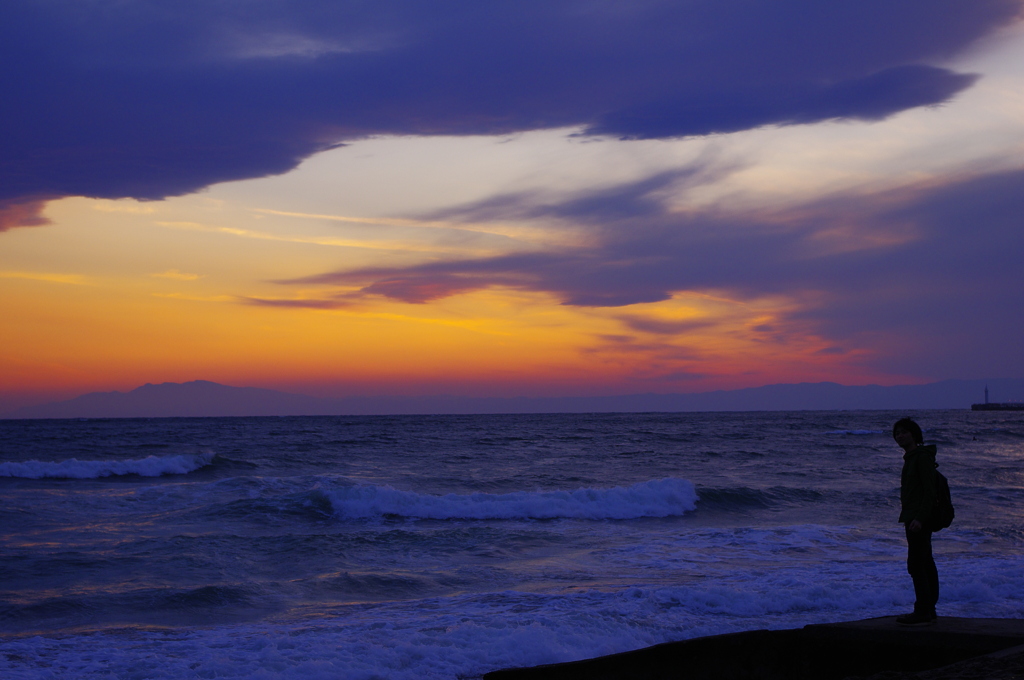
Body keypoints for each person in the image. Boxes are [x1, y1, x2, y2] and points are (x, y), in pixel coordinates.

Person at [893, 417, 939, 626]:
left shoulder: (921, 457)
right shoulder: (911, 457)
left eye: (904, 432)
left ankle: (923, 610)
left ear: (914, 434)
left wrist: (920, 518)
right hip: (913, 516)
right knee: (925, 561)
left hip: (918, 518)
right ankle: (929, 609)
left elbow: (930, 491)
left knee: (916, 564)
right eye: (897, 433)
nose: (900, 436)